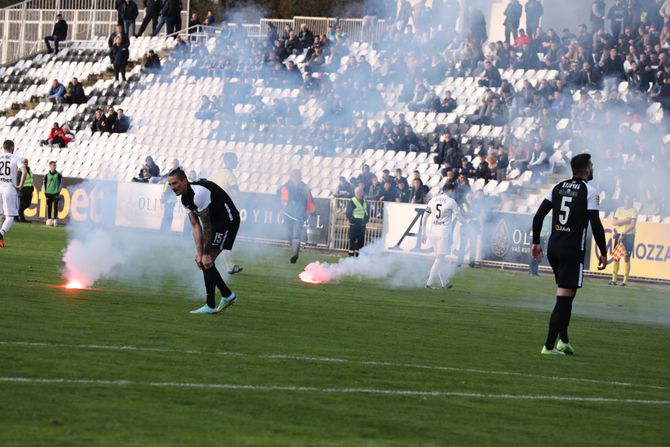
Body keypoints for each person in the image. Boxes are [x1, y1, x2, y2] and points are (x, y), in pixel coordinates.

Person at [531, 153, 607, 356]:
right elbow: (596, 224)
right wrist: (603, 252)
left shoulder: (557, 187)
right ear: (587, 169)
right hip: (571, 250)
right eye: (591, 166)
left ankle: (563, 340)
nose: (592, 169)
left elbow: (538, 216)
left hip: (554, 247)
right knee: (564, 298)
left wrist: (536, 242)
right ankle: (548, 346)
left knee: (568, 294)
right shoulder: (590, 191)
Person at [166, 168, 240, 314]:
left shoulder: (198, 194)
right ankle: (224, 297)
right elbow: (195, 226)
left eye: (175, 183)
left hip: (228, 221)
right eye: (170, 185)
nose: (173, 187)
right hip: (215, 223)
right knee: (203, 262)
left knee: (208, 260)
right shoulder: (184, 199)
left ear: (184, 181)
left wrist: (206, 253)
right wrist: (199, 253)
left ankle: (216, 302)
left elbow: (206, 226)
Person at [422, 182, 460, 289]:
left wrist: (423, 232)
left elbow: (424, 217)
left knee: (439, 258)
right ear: (450, 191)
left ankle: (444, 283)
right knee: (440, 258)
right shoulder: (451, 202)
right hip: (443, 232)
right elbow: (458, 216)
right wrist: (466, 223)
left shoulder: (433, 200)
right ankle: (429, 283)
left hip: (432, 231)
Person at [280, 169, 315, 264]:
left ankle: (294, 254)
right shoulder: (285, 187)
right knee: (290, 234)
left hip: (300, 214)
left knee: (296, 234)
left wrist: (310, 211)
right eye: (294, 175)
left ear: (300, 176)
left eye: (298, 175)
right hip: (288, 215)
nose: (296, 177)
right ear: (291, 176)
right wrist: (280, 208)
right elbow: (281, 200)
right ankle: (294, 249)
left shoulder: (305, 188)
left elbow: (310, 200)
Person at [0, 140, 27, 247]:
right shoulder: (15, 158)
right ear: (12, 147)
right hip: (9, 190)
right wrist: (20, 185)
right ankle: (1, 233)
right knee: (10, 216)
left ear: (3, 147)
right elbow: (24, 171)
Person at [609, 195, 637, 286]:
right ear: (624, 200)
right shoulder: (619, 209)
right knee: (616, 257)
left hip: (628, 236)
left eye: (629, 200)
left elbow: (632, 225)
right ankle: (614, 280)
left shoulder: (634, 211)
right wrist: (625, 220)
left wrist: (623, 233)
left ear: (632, 201)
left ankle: (625, 281)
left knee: (626, 257)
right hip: (618, 235)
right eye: (626, 199)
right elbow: (614, 223)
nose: (627, 201)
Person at [345, 186, 369, 257]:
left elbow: (367, 213)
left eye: (360, 192)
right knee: (352, 242)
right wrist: (354, 221)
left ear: (362, 193)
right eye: (357, 192)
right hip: (354, 225)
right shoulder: (352, 201)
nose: (359, 193)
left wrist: (365, 221)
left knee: (361, 243)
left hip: (362, 226)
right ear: (355, 193)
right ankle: (351, 257)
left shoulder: (365, 202)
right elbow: (348, 213)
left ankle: (358, 258)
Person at [43, 161, 62, 227]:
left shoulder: (58, 175)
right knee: (49, 207)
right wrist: (45, 192)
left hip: (55, 193)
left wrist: (58, 191)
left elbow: (61, 183)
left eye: (55, 165)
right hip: (48, 193)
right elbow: (44, 184)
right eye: (53, 165)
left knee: (55, 206)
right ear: (50, 166)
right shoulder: (46, 175)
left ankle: (55, 220)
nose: (54, 166)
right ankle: (49, 219)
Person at [17, 159, 34, 223]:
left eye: (26, 162)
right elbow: (18, 180)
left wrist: (32, 189)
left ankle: (18, 214)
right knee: (22, 204)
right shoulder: (20, 171)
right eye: (24, 162)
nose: (25, 163)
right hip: (23, 189)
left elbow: (31, 180)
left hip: (29, 189)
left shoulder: (29, 170)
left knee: (28, 204)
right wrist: (19, 189)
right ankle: (21, 218)